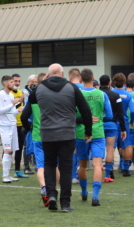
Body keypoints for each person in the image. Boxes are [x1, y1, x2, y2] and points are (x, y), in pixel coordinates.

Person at [35, 63, 92, 213]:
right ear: (63, 73)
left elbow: (31, 104)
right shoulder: (71, 87)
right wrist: (88, 130)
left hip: (47, 133)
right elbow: (85, 110)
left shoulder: (40, 88)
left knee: (49, 165)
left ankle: (51, 195)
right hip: (66, 133)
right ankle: (65, 203)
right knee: (66, 169)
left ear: (48, 74)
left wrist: (44, 81)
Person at [75, 69, 112, 206]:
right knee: (97, 165)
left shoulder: (76, 94)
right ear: (93, 78)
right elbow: (109, 115)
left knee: (82, 165)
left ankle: (84, 192)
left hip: (80, 133)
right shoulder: (102, 94)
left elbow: (71, 114)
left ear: (81, 79)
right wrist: (99, 117)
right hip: (97, 133)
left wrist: (83, 119)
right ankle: (95, 196)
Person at [21, 73, 52, 207]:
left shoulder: (33, 96)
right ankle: (53, 192)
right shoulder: (52, 95)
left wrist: (28, 128)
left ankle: (44, 188)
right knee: (53, 165)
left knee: (40, 166)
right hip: (52, 135)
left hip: (38, 134)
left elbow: (24, 115)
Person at [0, 76, 23, 183]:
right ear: (6, 84)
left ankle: (7, 174)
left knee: (11, 151)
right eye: (11, 82)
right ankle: (4, 176)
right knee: (7, 150)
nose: (14, 84)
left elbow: (11, 113)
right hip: (4, 126)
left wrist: (19, 109)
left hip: (12, 125)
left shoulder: (11, 95)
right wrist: (12, 103)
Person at [99, 75, 126, 182]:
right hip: (111, 124)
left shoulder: (98, 94)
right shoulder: (115, 95)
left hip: (99, 125)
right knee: (110, 149)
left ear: (100, 83)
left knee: (99, 149)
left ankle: (98, 169)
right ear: (110, 82)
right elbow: (120, 113)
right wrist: (123, 129)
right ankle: (108, 174)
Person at [112, 73, 134, 177]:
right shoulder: (128, 95)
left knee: (110, 146)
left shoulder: (111, 93)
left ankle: (110, 169)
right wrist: (131, 121)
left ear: (114, 81)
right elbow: (133, 111)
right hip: (124, 122)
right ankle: (126, 169)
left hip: (112, 121)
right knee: (126, 145)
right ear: (124, 82)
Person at [11, 74, 29, 178]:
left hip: (20, 124)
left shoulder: (21, 93)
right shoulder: (7, 93)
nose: (17, 83)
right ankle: (6, 170)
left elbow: (23, 107)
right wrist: (19, 102)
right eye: (15, 81)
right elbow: (10, 108)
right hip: (10, 124)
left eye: (18, 81)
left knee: (19, 147)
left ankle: (17, 170)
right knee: (8, 148)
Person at [68, 68, 82, 184]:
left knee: (73, 150)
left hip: (70, 123)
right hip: (86, 124)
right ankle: (80, 173)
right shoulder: (87, 89)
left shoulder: (68, 89)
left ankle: (73, 175)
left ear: (70, 77)